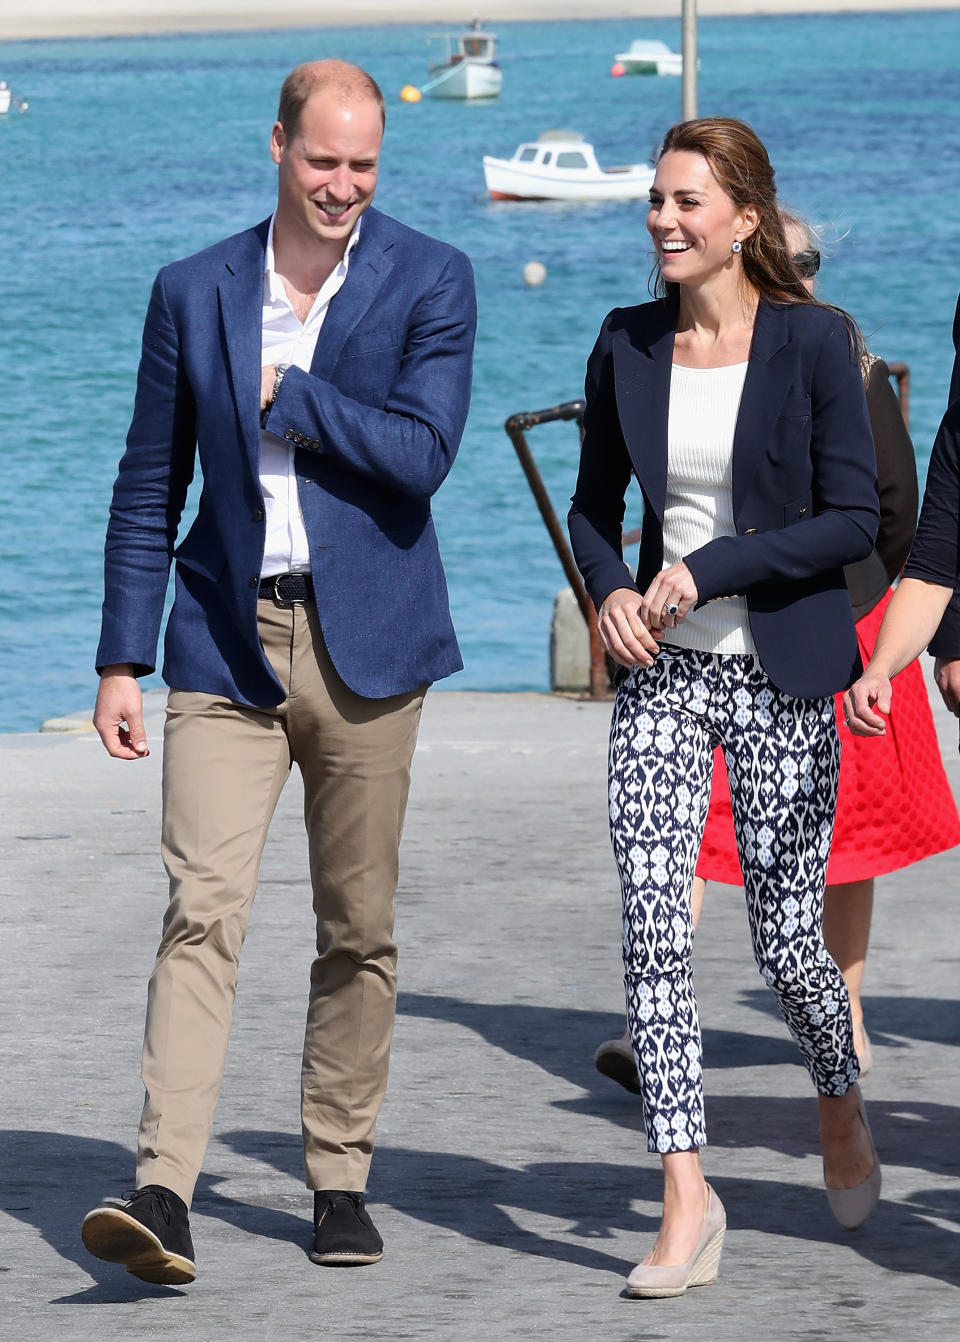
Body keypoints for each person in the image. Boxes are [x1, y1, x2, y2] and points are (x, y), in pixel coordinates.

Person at [80, 59, 476, 1283]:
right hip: (221, 637)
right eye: (323, 162)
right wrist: (119, 658)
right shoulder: (192, 288)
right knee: (203, 906)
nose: (344, 186)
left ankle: (340, 1177)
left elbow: (423, 454)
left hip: (371, 650)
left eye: (363, 166)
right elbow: (152, 483)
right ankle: (165, 1185)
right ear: (278, 148)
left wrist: (292, 398)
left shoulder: (433, 278)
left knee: (355, 926)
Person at [569, 117, 882, 1299]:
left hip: (784, 669)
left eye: (687, 202)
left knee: (789, 942)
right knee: (652, 924)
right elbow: (597, 507)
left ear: (744, 219)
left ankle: (839, 1098)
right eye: (655, 199)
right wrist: (609, 590)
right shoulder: (627, 343)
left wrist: (716, 565)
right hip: (665, 678)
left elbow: (854, 520)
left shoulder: (814, 341)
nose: (662, 218)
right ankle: (685, 1195)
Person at [595, 223, 960, 1094]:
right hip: (695, 647)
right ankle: (661, 1020)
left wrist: (924, 643)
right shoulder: (649, 346)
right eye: (788, 262)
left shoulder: (842, 353)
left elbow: (905, 512)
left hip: (844, 618)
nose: (797, 276)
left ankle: (850, 1014)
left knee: (847, 843)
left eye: (811, 263)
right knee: (676, 847)